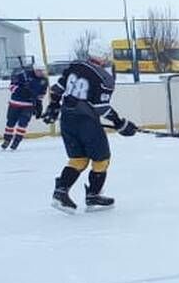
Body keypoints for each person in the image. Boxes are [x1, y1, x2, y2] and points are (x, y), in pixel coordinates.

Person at [41, 53, 139, 212]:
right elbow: (101, 107)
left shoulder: (75, 66)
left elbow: (57, 89)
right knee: (102, 159)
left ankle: (60, 192)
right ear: (103, 59)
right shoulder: (103, 77)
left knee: (78, 159)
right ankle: (93, 195)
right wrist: (119, 122)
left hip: (67, 119)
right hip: (86, 122)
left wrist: (53, 106)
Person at [0, 64, 47, 151]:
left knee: (23, 124)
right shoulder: (23, 75)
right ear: (34, 70)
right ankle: (7, 139)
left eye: (42, 71)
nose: (40, 73)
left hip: (28, 105)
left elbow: (41, 94)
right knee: (10, 123)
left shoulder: (44, 81)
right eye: (38, 71)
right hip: (15, 103)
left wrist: (39, 105)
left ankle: (16, 141)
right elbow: (11, 86)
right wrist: (21, 90)